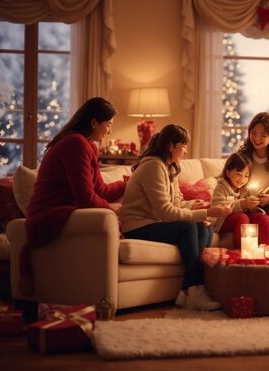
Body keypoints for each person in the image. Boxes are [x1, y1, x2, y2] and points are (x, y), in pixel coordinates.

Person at [20, 97, 127, 294]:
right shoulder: (75, 144)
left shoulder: (87, 146)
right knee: (111, 218)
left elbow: (100, 191)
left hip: (64, 210)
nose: (110, 131)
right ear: (94, 122)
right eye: (108, 125)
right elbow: (86, 197)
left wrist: (127, 185)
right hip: (49, 213)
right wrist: (111, 209)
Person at [119, 124, 231, 310]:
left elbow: (176, 202)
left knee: (205, 227)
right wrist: (208, 213)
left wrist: (196, 206)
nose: (186, 151)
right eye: (184, 145)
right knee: (189, 226)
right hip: (137, 226)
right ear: (171, 146)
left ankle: (189, 290)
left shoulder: (169, 167)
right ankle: (195, 288)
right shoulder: (153, 166)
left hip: (154, 222)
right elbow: (166, 212)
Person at [211, 152, 269, 248]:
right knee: (242, 218)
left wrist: (254, 206)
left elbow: (246, 209)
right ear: (228, 173)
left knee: (265, 219)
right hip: (222, 221)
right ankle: (242, 253)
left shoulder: (245, 189)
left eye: (246, 176)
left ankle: (268, 252)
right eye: (239, 174)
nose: (242, 179)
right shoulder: (221, 187)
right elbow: (218, 205)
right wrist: (242, 204)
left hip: (242, 216)